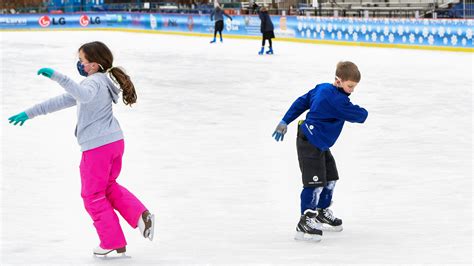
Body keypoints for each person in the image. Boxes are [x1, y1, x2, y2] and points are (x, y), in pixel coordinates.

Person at [8, 41, 155, 256]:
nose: (79, 64)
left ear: (94, 65)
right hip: (114, 142)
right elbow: (60, 101)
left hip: (98, 147)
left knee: (92, 195)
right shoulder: (101, 82)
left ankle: (111, 241)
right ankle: (140, 215)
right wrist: (29, 113)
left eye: (82, 61)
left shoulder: (92, 84)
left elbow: (81, 94)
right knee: (107, 186)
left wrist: (57, 76)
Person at [272, 61, 368, 242]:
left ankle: (321, 212)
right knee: (314, 183)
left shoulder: (322, 88)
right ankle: (306, 220)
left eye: (354, 87)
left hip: (320, 143)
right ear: (338, 81)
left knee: (331, 178)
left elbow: (302, 102)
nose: (352, 90)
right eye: (350, 86)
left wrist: (285, 121)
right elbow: (361, 116)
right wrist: (361, 110)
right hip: (309, 141)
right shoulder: (338, 101)